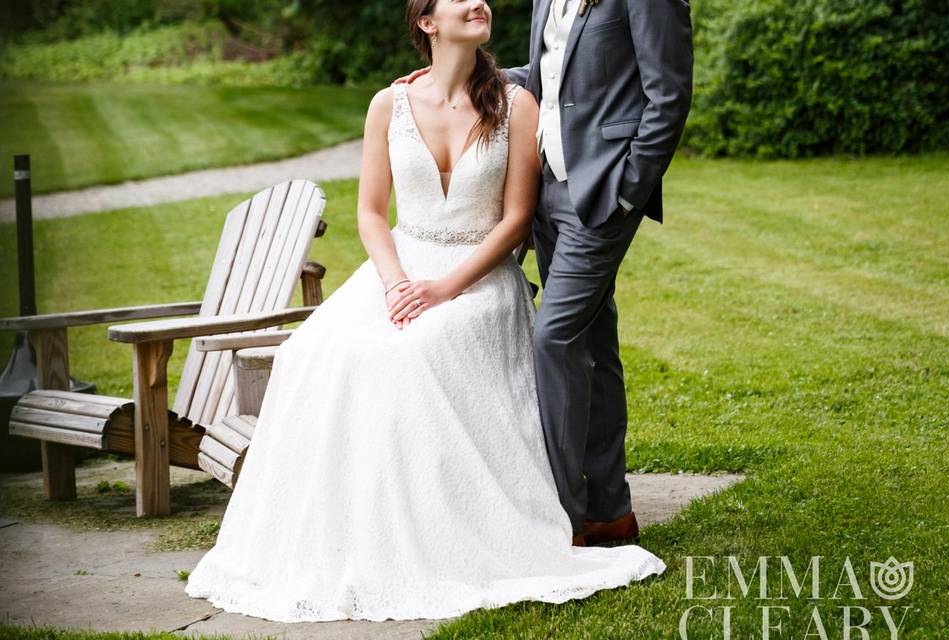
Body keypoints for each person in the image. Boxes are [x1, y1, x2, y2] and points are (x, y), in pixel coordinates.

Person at [184, 0, 666, 623]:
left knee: (417, 351)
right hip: (399, 270)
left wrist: (445, 289)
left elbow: (518, 218)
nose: (480, 2)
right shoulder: (389, 104)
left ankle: (470, 520)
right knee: (320, 350)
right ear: (426, 23)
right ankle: (348, 530)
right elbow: (369, 214)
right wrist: (394, 283)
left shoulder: (517, 106)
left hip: (478, 276)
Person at [404, 0, 694, 546]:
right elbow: (545, 76)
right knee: (594, 342)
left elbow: (669, 93)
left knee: (553, 338)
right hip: (549, 190)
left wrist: (630, 189)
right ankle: (610, 511)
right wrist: (455, 73)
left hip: (605, 190)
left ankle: (558, 514)